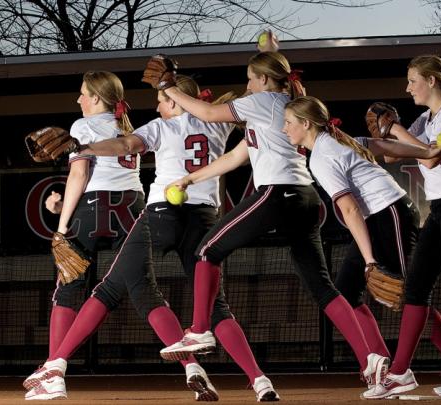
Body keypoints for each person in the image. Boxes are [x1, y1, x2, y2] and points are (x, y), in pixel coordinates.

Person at [155, 50, 389, 393]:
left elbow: (205, 112)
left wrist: (168, 87)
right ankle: (370, 359)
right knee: (323, 287)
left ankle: (201, 329)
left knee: (206, 250)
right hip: (305, 198)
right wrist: (190, 180)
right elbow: (236, 157)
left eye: (251, 77)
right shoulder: (281, 106)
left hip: (278, 194)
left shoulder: (264, 100)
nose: (246, 84)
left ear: (264, 80)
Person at [23, 75, 225, 402]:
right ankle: (191, 366)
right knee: (145, 290)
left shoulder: (82, 126)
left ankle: (52, 370)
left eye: (83, 94)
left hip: (92, 209)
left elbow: (80, 174)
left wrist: (61, 225)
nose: (79, 100)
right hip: (132, 208)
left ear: (97, 99)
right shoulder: (127, 127)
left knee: (69, 287)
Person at [282, 95, 441, 387]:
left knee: (410, 296)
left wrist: (369, 261)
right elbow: (386, 147)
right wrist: (424, 150)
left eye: (288, 122)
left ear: (305, 123)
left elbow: (351, 209)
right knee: (346, 291)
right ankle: (379, 362)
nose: (284, 129)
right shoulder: (340, 140)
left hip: (390, 214)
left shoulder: (322, 156)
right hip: (379, 218)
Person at [362, 55, 441, 400]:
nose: (407, 87)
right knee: (415, 287)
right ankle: (400, 373)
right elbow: (391, 155)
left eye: (412, 80)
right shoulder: (427, 117)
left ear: (431, 81)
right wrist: (353, 140)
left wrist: (397, 130)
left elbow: (433, 155)